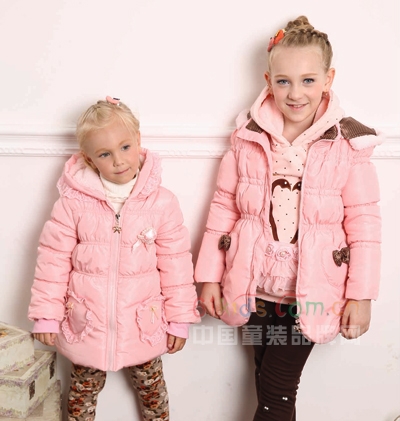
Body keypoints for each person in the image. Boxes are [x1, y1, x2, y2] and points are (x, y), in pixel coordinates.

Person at [195, 15, 383, 421]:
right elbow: (223, 207)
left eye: (308, 80)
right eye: (284, 81)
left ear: (328, 79)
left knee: (277, 392)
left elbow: (365, 226)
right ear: (268, 81)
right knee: (265, 380)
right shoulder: (248, 139)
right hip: (255, 287)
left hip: (311, 294)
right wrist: (209, 275)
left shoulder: (347, 147)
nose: (295, 93)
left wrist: (361, 295)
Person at [28, 96, 201, 421]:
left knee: (153, 393)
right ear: (89, 159)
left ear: (138, 141)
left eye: (125, 147)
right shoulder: (72, 204)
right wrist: (46, 315)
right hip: (87, 324)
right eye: (105, 154)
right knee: (81, 397)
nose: (119, 161)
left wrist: (180, 318)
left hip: (142, 322)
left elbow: (177, 265)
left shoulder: (162, 203)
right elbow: (52, 262)